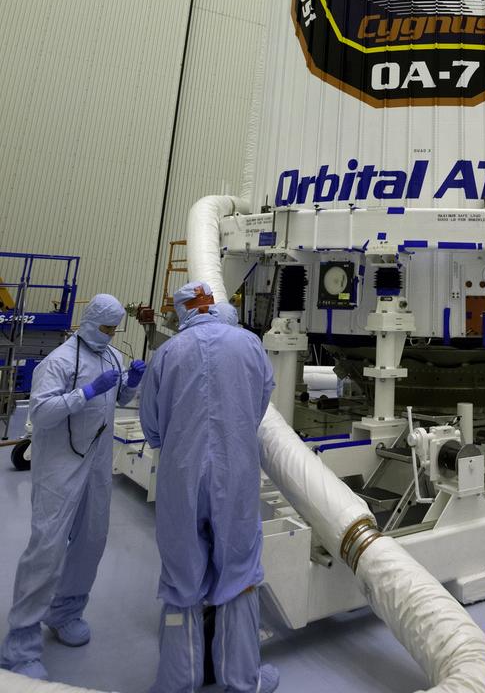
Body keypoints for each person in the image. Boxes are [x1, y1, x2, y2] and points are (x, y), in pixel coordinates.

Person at [140, 281, 277, 693]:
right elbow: (261, 399)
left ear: (182, 311)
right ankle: (242, 680)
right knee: (239, 573)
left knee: (182, 578)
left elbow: (151, 425)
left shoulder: (166, 354)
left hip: (180, 477)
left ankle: (178, 683)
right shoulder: (248, 345)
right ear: (214, 305)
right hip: (235, 473)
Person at [0, 294, 145, 678]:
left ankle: (65, 611)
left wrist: (132, 382)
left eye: (115, 330)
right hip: (60, 466)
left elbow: (120, 399)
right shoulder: (58, 362)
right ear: (89, 321)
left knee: (91, 540)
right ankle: (19, 644)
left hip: (97, 463)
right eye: (105, 328)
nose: (110, 335)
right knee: (47, 547)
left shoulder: (112, 357)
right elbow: (43, 413)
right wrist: (87, 391)